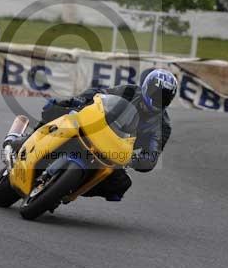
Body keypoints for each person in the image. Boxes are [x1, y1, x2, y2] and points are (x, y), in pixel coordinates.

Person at [26, 69, 177, 201]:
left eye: (164, 97)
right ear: (147, 87)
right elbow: (102, 95)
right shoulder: (130, 91)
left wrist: (140, 159)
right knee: (56, 108)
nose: (159, 99)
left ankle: (67, 189)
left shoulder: (163, 126)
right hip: (97, 128)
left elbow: (153, 153)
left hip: (116, 150)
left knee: (120, 186)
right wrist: (81, 100)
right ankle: (28, 141)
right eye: (157, 93)